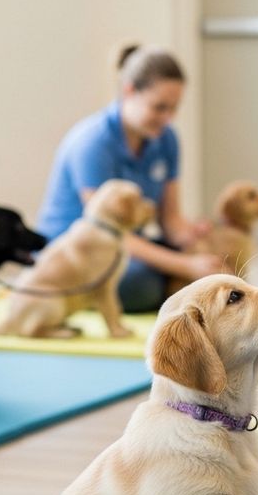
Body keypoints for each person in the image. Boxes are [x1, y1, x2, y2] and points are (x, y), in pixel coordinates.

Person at [36, 45, 222, 313]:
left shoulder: (166, 138)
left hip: (124, 248)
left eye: (174, 108)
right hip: (82, 253)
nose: (168, 118)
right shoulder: (93, 143)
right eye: (159, 107)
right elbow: (108, 233)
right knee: (141, 285)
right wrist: (185, 266)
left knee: (212, 262)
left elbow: (170, 220)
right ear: (129, 91)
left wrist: (192, 238)